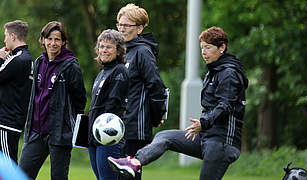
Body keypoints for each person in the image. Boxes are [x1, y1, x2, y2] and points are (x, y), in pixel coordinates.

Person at [108, 26, 249, 180]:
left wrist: (204, 122)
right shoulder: (214, 71)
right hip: (206, 137)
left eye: (208, 48)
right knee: (165, 136)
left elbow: (225, 105)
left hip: (222, 143)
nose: (203, 52)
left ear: (222, 48)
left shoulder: (229, 73)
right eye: (202, 48)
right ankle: (134, 162)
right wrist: (204, 126)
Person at [18, 21, 87, 180]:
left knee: (58, 177)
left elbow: (80, 101)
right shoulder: (38, 63)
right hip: (36, 132)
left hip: (59, 134)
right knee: (20, 175)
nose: (53, 43)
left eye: (57, 39)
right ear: (42, 40)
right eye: (49, 38)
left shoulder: (71, 66)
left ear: (63, 42)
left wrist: (69, 128)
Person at [116, 3, 167, 179]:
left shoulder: (143, 51)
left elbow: (156, 86)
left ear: (139, 28)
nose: (122, 29)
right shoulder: (122, 51)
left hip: (135, 126)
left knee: (128, 174)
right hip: (119, 125)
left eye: (127, 25)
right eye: (120, 24)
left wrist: (155, 116)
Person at [88, 29, 129, 180]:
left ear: (118, 51)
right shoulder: (102, 72)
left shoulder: (120, 71)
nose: (104, 50)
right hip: (94, 136)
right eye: (102, 46)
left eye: (109, 47)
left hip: (108, 137)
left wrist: (101, 129)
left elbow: (113, 105)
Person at [0, 20, 32, 164]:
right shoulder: (28, 59)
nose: (4, 39)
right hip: (14, 121)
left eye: (6, 35)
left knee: (8, 168)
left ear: (13, 36)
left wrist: (0, 59)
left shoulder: (16, 59)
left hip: (7, 122)